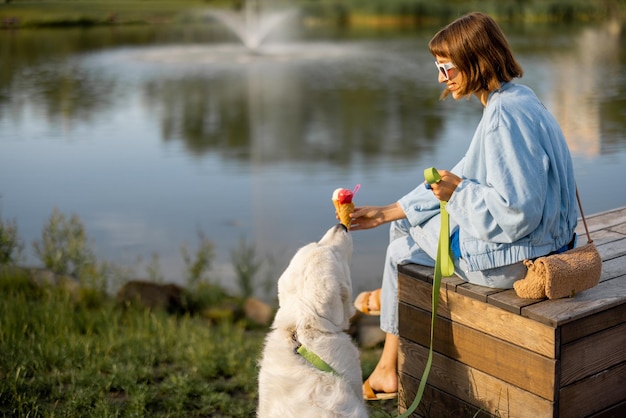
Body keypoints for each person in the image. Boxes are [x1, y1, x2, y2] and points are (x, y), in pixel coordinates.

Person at [349, 12, 578, 400]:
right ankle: (388, 347)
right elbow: (463, 172)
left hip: (520, 262)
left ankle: (388, 364)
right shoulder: (518, 98)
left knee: (401, 252)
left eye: (446, 67)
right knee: (401, 225)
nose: (441, 77)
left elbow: (517, 211)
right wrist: (387, 210)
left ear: (476, 59)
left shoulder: (504, 116)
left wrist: (458, 194)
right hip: (547, 242)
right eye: (438, 67)